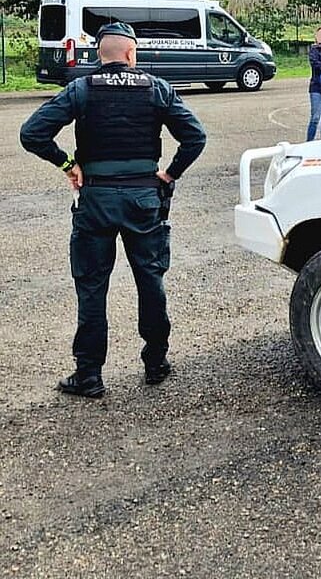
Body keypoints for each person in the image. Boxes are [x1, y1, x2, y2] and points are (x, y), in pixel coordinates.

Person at [19, 22, 206, 398]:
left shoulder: (81, 90)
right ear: (131, 54)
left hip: (96, 201)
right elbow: (195, 137)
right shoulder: (156, 89)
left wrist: (67, 164)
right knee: (150, 281)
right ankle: (156, 362)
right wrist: (168, 175)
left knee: (91, 287)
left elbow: (32, 133)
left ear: (98, 56)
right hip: (144, 200)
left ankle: (88, 374)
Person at [306, 42, 321, 141]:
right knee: (315, 117)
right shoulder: (315, 50)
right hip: (316, 87)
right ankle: (309, 142)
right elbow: (315, 64)